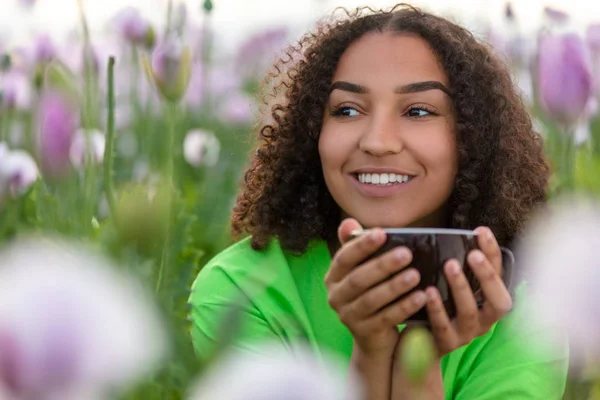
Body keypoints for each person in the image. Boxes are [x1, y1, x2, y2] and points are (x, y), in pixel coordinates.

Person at [188, 4, 568, 399]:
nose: (376, 141)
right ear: (313, 131)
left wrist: (418, 362)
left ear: (473, 139)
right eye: (347, 110)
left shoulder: (533, 311)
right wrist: (371, 351)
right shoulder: (240, 290)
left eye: (418, 111)